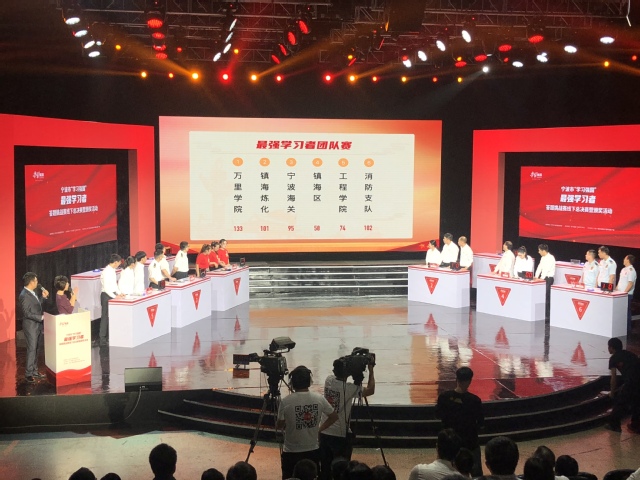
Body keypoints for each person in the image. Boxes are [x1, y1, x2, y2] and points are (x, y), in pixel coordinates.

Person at [276, 365, 339, 480]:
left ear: (292, 383)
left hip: (291, 451)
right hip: (313, 450)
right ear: (309, 381)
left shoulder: (286, 402)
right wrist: (319, 428)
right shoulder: (319, 399)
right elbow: (334, 416)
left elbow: (279, 425)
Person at [319, 356, 376, 479]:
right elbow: (370, 390)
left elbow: (341, 371)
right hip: (340, 435)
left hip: (324, 431)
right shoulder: (350, 389)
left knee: (325, 469)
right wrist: (371, 370)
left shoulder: (328, 380)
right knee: (342, 470)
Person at [436, 367, 484, 477]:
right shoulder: (475, 400)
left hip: (450, 443)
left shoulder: (444, 397)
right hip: (470, 442)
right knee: (476, 473)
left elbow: (438, 415)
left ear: (456, 379)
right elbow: (481, 423)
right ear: (470, 381)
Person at [19, 272, 49, 383]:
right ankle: (28, 374)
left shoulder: (32, 292)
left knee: (36, 348)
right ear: (31, 282)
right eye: (36, 281)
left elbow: (36, 307)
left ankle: (35, 371)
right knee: (31, 349)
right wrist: (40, 317)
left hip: (37, 325)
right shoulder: (24, 295)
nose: (37, 283)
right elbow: (27, 313)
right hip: (30, 326)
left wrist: (43, 298)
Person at [606, 337, 640, 433]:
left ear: (611, 348)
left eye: (608, 347)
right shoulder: (630, 354)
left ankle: (614, 425)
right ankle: (635, 425)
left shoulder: (613, 358)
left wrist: (612, 392)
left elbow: (613, 378)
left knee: (620, 402)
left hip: (631, 382)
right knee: (637, 403)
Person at [99, 254, 125, 346]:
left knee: (112, 316)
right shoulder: (106, 272)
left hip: (113, 294)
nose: (119, 265)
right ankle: (102, 339)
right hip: (106, 295)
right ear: (115, 262)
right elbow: (106, 288)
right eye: (119, 263)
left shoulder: (112, 270)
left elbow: (114, 285)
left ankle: (110, 337)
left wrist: (119, 293)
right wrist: (114, 296)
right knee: (105, 317)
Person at [616, 255, 636, 335]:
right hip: (619, 294)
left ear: (628, 260)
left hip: (626, 294)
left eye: (624, 258)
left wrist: (624, 293)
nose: (623, 260)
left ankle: (628, 329)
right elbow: (620, 282)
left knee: (626, 312)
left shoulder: (631, 270)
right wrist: (616, 290)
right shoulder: (623, 269)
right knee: (620, 311)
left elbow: (630, 283)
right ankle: (620, 327)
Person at [535, 244, 556, 317]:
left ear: (543, 251)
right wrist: (536, 276)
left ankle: (547, 315)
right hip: (543, 278)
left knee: (546, 296)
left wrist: (541, 279)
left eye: (539, 250)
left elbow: (546, 270)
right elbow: (539, 267)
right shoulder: (542, 258)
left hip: (548, 279)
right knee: (541, 296)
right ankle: (541, 312)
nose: (538, 252)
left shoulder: (551, 258)